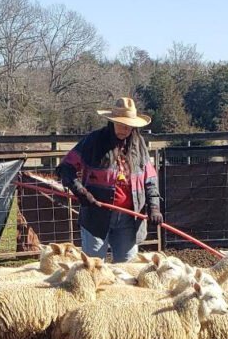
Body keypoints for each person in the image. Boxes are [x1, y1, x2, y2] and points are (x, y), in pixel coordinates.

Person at [56, 97, 163, 263]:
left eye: (129, 126)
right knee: (93, 265)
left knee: (127, 267)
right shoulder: (93, 141)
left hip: (130, 218)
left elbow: (150, 179)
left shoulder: (139, 145)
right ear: (112, 122)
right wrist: (81, 192)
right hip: (96, 216)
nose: (125, 129)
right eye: (121, 124)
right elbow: (66, 168)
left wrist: (154, 207)